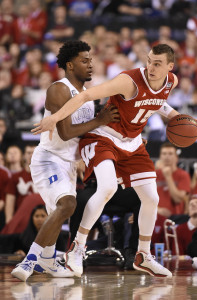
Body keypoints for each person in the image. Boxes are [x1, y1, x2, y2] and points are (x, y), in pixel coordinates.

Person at [32, 43, 184, 278]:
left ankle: (143, 255)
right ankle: (77, 248)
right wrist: (55, 118)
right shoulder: (128, 80)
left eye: (157, 64)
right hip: (104, 137)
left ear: (170, 67)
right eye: (149, 61)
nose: (151, 67)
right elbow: (86, 95)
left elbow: (157, 101)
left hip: (132, 142)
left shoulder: (171, 82)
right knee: (108, 187)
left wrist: (176, 117)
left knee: (152, 198)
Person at [11, 40, 119, 282]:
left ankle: (48, 260)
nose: (90, 65)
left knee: (60, 214)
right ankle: (30, 261)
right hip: (49, 159)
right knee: (67, 205)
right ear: (70, 65)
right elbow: (67, 132)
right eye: (84, 60)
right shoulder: (59, 89)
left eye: (91, 60)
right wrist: (100, 121)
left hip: (68, 164)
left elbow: (88, 132)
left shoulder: (87, 97)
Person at [156, 142, 191, 218]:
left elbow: (177, 199)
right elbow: (146, 199)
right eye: (164, 154)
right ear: (160, 157)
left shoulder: (183, 175)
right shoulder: (153, 174)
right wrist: (157, 210)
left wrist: (168, 177)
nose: (167, 157)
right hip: (155, 217)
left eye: (170, 154)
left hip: (176, 218)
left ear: (176, 157)